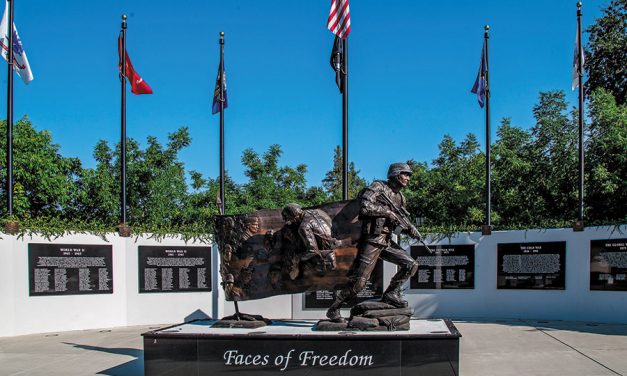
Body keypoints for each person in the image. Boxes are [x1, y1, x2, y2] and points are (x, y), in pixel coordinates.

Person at [326, 162, 421, 322]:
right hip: (372, 240)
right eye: (405, 174)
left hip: (386, 241)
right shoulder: (378, 187)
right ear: (396, 174)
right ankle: (334, 308)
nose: (408, 178)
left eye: (409, 175)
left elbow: (400, 220)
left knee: (411, 265)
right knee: (360, 283)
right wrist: (387, 212)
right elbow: (364, 207)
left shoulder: (400, 197)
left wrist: (410, 228)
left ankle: (390, 294)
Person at [281, 203, 338, 278]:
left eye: (290, 220)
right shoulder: (311, 212)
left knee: (296, 260)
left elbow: (312, 251)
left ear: (294, 217)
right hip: (333, 243)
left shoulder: (304, 227)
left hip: (325, 258)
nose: (290, 222)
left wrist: (297, 257)